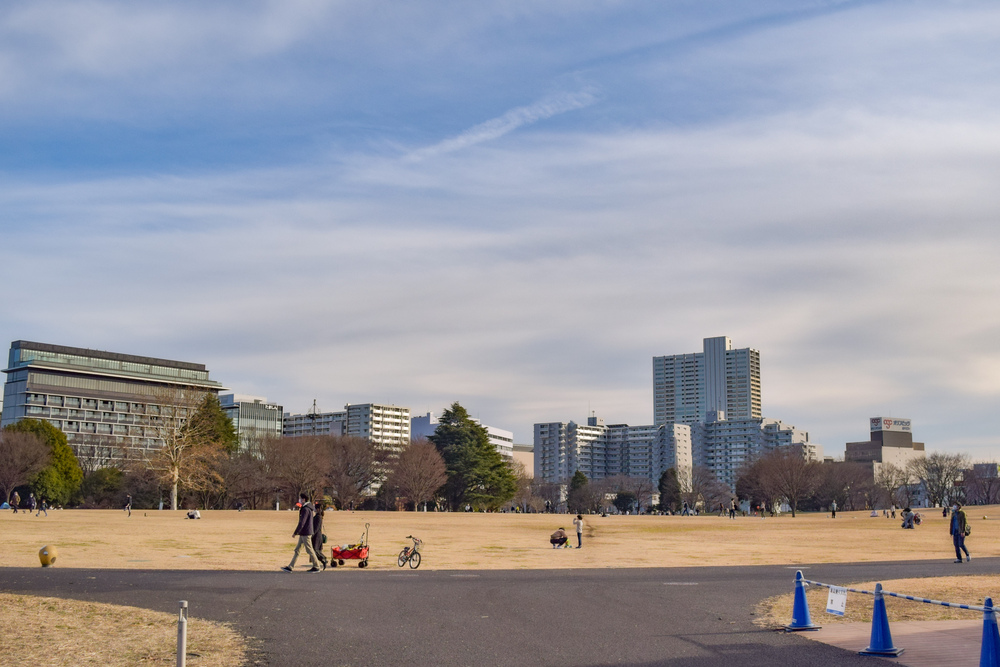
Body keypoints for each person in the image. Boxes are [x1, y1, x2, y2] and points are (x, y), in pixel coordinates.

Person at [282, 493, 321, 572]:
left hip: (305, 533)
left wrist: (295, 532)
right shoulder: (307, 508)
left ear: (304, 499)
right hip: (304, 533)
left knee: (309, 550)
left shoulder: (306, 509)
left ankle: (317, 566)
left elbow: (302, 522)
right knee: (297, 550)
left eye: (300, 499)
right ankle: (290, 566)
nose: (299, 500)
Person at [312, 501, 328, 569]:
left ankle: (323, 559)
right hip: (317, 535)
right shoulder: (317, 516)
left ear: (318, 509)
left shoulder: (318, 517)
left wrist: (312, 534)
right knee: (315, 550)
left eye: (315, 508)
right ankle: (317, 564)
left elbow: (316, 528)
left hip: (317, 536)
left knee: (315, 550)